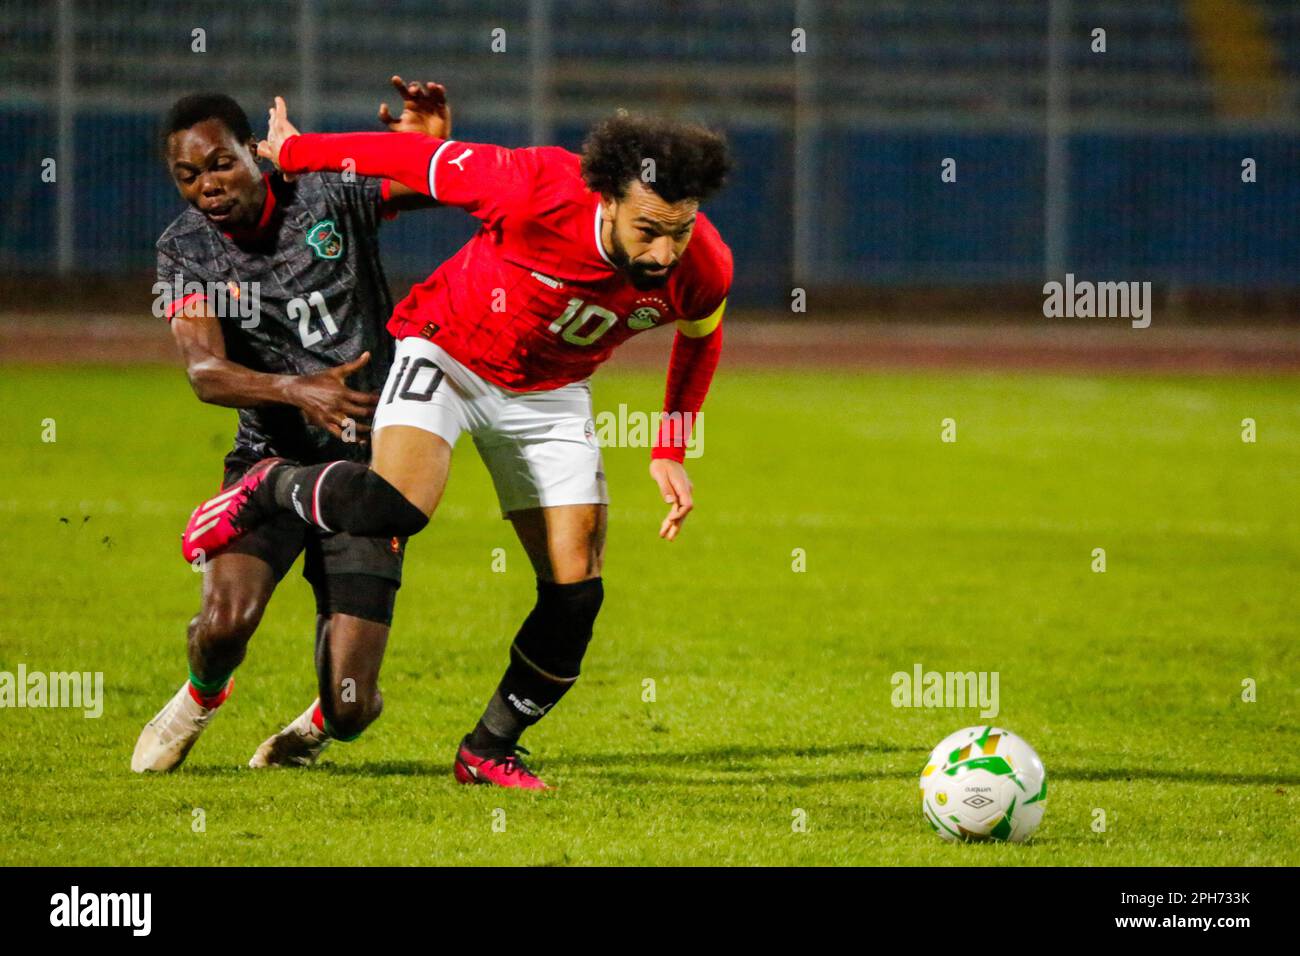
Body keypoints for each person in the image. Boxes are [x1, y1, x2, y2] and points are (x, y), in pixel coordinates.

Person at [181, 98, 734, 789]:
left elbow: (699, 339)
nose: (663, 252)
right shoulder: (532, 186)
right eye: (648, 230)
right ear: (607, 199)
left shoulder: (702, 262)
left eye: (677, 233)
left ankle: (488, 750)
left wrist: (669, 449)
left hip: (551, 393)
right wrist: (295, 153)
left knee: (576, 593)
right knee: (396, 506)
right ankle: (267, 486)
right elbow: (410, 160)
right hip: (449, 351)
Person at [132, 79, 449, 773]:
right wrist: (294, 390)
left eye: (219, 164)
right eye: (187, 175)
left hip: (367, 471)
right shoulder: (185, 248)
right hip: (266, 464)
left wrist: (427, 144)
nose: (206, 186)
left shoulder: (325, 193)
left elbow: (435, 186)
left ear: (254, 152)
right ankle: (200, 697)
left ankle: (315, 725)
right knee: (222, 628)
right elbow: (204, 372)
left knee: (352, 708)